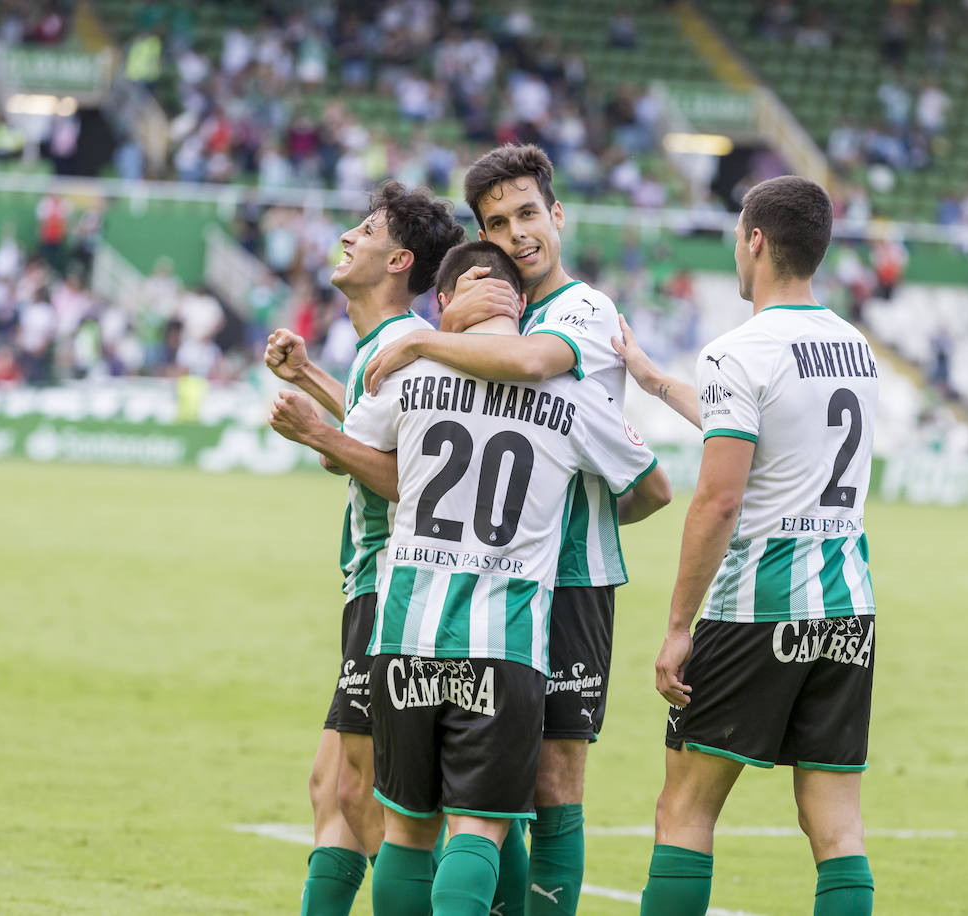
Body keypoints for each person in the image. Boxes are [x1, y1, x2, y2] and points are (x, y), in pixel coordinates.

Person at [345, 238, 671, 916]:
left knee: (406, 833)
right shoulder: (571, 395)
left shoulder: (407, 369)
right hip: (506, 646)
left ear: (446, 300)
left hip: (404, 632)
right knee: (480, 828)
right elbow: (654, 489)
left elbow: (349, 452)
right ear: (524, 307)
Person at [620, 177, 879, 915]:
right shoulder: (854, 347)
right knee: (835, 824)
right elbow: (771, 427)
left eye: (739, 233)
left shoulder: (740, 349)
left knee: (686, 810)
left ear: (756, 240)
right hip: (847, 611)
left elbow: (721, 496)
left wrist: (677, 627)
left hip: (756, 610)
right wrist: (656, 381)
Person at [263, 181, 467, 915]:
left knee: (370, 797)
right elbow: (378, 434)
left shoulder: (403, 351)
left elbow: (407, 478)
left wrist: (318, 430)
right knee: (332, 788)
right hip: (372, 590)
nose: (348, 235)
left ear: (399, 260)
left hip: (394, 592)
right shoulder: (384, 349)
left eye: (366, 229)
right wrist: (313, 379)